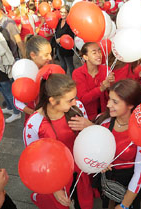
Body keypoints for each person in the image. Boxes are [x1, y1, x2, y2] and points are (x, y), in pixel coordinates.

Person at [23, 73, 93, 209]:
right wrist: (54, 188)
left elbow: (90, 137)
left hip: (79, 169)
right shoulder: (35, 123)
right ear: (53, 101)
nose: (75, 102)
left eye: (75, 98)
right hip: (54, 175)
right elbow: (34, 160)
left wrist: (89, 125)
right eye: (70, 100)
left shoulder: (77, 107)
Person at [95, 79, 141, 209]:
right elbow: (96, 150)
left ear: (131, 105)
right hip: (107, 181)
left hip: (128, 184)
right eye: (109, 99)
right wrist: (99, 163)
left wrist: (125, 205)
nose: (108, 105)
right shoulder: (103, 121)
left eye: (115, 102)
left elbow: (139, 173)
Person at [14, 35, 53, 124]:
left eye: (50, 53)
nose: (50, 58)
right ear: (33, 55)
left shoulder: (50, 69)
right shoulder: (24, 72)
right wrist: (35, 114)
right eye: (46, 54)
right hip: (35, 120)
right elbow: (17, 102)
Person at [72, 42, 115, 120]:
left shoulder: (106, 70)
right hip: (88, 116)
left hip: (106, 114)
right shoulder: (78, 73)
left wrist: (112, 84)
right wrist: (102, 88)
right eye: (94, 53)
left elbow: (112, 95)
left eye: (99, 51)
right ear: (85, 57)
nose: (99, 55)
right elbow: (83, 99)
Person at [52, 5, 75, 76]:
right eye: (61, 12)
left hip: (67, 48)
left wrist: (61, 39)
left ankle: (74, 80)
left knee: (70, 66)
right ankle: (64, 78)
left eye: (64, 12)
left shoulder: (70, 23)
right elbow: (57, 31)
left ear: (68, 13)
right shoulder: (59, 21)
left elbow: (71, 36)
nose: (62, 14)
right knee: (62, 65)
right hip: (59, 48)